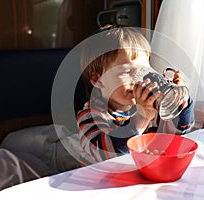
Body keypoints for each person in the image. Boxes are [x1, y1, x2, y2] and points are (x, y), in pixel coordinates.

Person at [76, 24, 194, 166]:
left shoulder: (149, 106)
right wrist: (142, 117)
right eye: (127, 72)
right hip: (99, 182)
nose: (139, 80)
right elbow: (108, 155)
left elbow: (177, 135)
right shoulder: (90, 116)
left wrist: (180, 102)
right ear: (98, 79)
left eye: (143, 70)